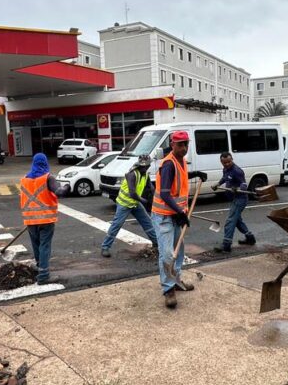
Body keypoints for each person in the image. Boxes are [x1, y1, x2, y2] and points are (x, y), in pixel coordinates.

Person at [151, 130, 207, 309]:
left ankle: (175, 280)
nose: (184, 148)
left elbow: (180, 178)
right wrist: (180, 213)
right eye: (180, 144)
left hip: (176, 215)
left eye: (186, 145)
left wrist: (196, 173)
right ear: (172, 144)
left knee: (178, 251)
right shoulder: (168, 164)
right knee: (167, 254)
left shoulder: (181, 161)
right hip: (164, 216)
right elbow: (166, 194)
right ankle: (168, 289)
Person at [19, 153, 69, 284]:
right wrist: (66, 187)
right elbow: (60, 192)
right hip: (45, 219)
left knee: (36, 245)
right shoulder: (48, 178)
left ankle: (40, 266)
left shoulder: (24, 179)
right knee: (44, 246)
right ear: (45, 163)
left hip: (30, 220)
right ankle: (44, 276)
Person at [101, 154, 158, 257]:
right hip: (124, 203)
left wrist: (154, 198)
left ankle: (156, 243)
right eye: (143, 166)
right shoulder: (132, 174)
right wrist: (145, 201)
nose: (144, 168)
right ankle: (105, 247)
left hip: (135, 203)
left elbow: (150, 187)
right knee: (117, 225)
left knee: (147, 222)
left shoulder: (145, 174)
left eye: (146, 166)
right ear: (139, 164)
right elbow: (132, 193)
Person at [212, 152, 256, 253]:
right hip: (233, 198)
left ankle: (226, 245)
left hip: (240, 199)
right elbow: (225, 178)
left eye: (229, 162)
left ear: (232, 159)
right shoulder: (225, 169)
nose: (227, 164)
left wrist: (238, 188)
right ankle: (250, 238)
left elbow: (244, 184)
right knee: (237, 221)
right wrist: (217, 184)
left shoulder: (237, 171)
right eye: (224, 163)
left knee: (230, 221)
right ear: (221, 162)